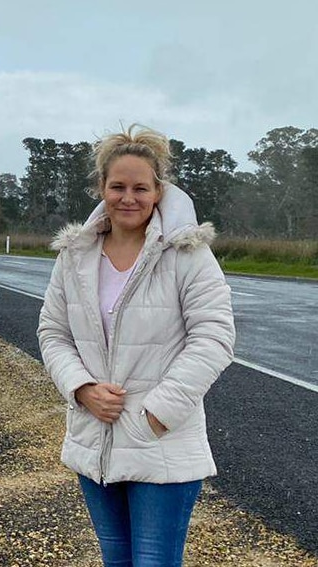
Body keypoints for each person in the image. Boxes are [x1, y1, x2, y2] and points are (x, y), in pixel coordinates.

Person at [37, 124, 236, 566]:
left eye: (141, 187)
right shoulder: (75, 255)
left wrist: (156, 415)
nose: (129, 197)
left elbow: (215, 337)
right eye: (118, 186)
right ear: (101, 188)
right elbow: (52, 332)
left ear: (159, 191)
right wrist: (82, 388)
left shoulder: (187, 254)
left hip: (158, 441)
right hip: (95, 441)